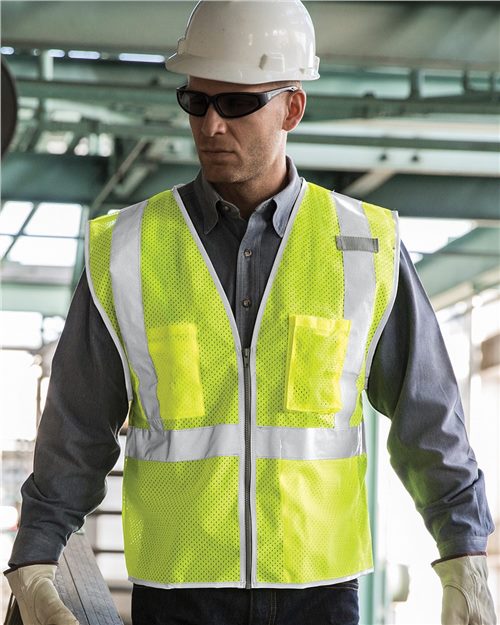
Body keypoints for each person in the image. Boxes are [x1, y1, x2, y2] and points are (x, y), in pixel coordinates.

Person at [5, 2, 497, 625]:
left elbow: (427, 415)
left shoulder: (365, 246)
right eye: (196, 101)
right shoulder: (127, 250)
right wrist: (35, 558)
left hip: (319, 593)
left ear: (292, 108)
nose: (211, 125)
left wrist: (464, 553)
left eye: (236, 104)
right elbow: (76, 428)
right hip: (179, 596)